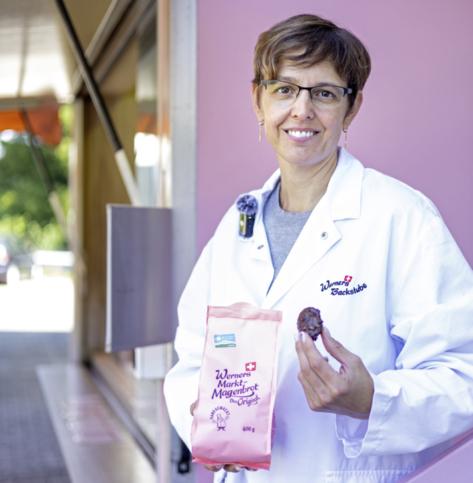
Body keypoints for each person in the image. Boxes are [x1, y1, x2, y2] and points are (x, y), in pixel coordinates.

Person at [164, 13, 473, 483]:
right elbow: (191, 359)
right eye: (284, 89)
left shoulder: (401, 217)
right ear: (258, 99)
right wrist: (205, 423)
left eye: (324, 93)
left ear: (352, 108)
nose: (301, 110)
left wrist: (371, 401)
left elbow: (464, 374)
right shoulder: (237, 225)